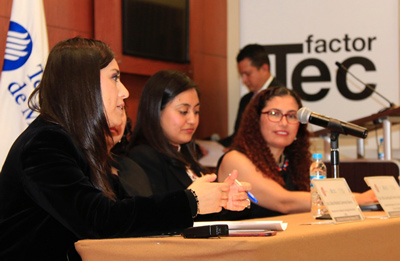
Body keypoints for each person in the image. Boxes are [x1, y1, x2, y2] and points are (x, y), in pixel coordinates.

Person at [0, 37, 250, 260]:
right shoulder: (44, 144)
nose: (125, 92)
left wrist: (213, 202)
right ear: (83, 84)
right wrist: (191, 201)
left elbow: (129, 212)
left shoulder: (77, 144)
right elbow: (98, 220)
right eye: (115, 78)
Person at [217, 86, 377, 218]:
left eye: (292, 116)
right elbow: (283, 202)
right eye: (274, 114)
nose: (284, 122)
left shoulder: (294, 163)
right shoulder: (234, 160)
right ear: (255, 120)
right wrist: (357, 198)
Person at [126, 70, 252, 219]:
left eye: (196, 111)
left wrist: (226, 201)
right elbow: (155, 218)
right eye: (183, 111)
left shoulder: (186, 156)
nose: (193, 120)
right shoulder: (143, 157)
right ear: (155, 111)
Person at [219, 44, 284, 147]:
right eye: (241, 75)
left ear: (264, 68)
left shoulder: (283, 97)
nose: (244, 80)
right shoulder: (245, 100)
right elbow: (237, 136)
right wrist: (212, 144)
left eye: (247, 74)